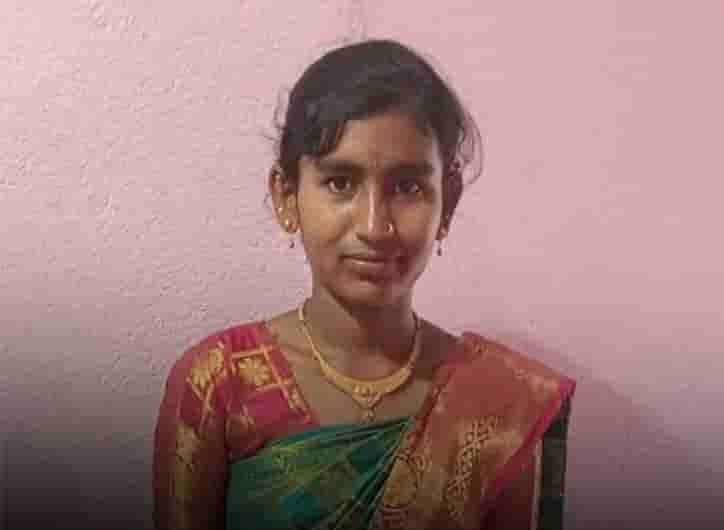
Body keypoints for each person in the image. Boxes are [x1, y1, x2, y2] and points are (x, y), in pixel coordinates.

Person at [152, 40, 575, 530]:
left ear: (449, 202)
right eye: (340, 183)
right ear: (286, 195)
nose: (375, 227)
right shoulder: (218, 383)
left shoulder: (502, 404)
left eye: (408, 187)